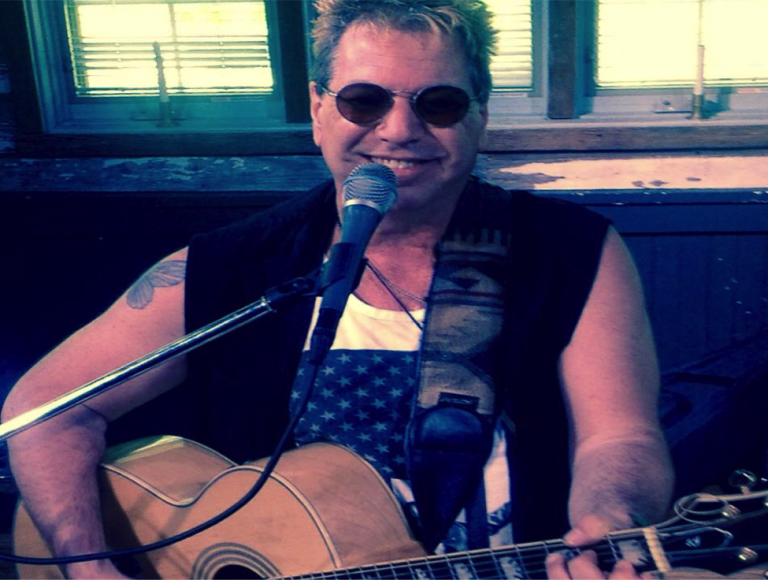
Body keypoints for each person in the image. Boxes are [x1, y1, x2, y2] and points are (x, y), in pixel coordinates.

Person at [2, 1, 673, 579]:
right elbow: (43, 410)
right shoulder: (234, 264)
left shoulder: (573, 250)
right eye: (364, 100)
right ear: (320, 110)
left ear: (479, 116)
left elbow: (619, 436)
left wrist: (612, 518)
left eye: (439, 103)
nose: (399, 130)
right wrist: (88, 567)